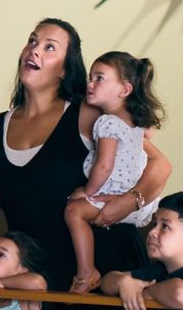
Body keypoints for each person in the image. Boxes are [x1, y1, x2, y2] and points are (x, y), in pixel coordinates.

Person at [0, 19, 171, 310]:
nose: (34, 49)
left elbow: (159, 166)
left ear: (65, 68)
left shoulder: (89, 115)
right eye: (32, 41)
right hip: (32, 281)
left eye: (49, 46)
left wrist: (128, 204)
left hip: (94, 269)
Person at [64, 51, 164, 294]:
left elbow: (104, 165)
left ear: (125, 90)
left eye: (100, 78)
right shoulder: (134, 123)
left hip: (110, 195)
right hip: (130, 202)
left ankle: (86, 273)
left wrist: (86, 192)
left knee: (74, 211)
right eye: (91, 77)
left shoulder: (107, 122)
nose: (90, 83)